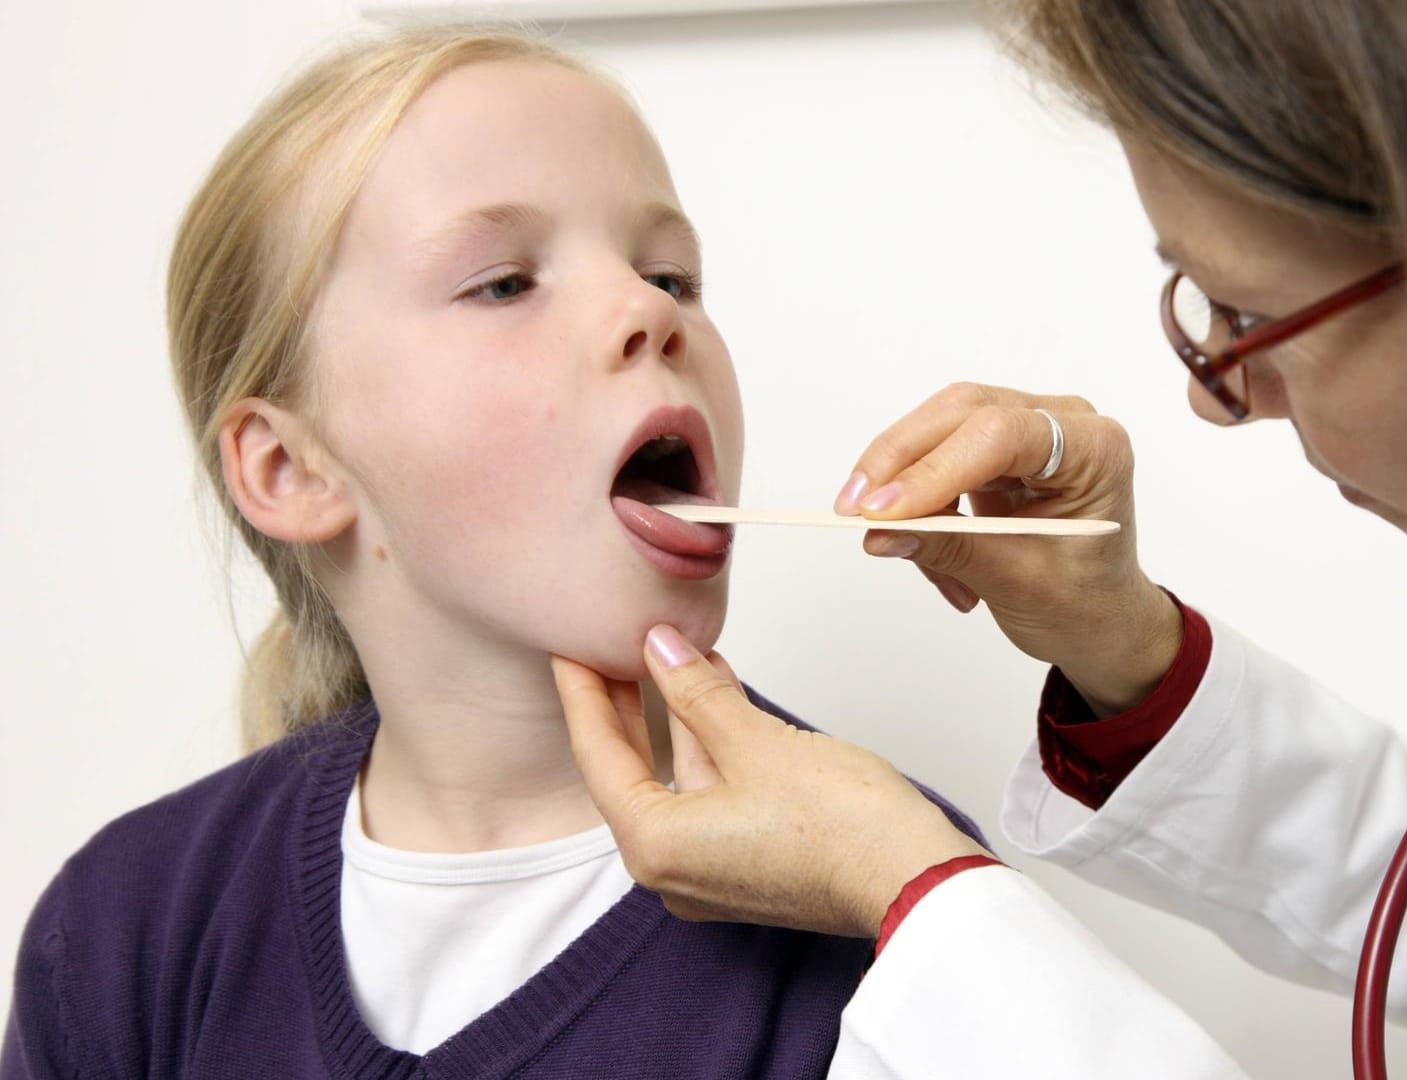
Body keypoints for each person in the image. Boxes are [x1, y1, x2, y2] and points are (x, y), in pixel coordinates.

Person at [551, 2, 1407, 1077]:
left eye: (1242, 310)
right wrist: (1127, 657)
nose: (1221, 400)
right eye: (500, 283)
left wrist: (913, 895)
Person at [0, 27, 983, 1080]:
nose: (651, 309)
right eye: (507, 283)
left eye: (673, 274)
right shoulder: (123, 931)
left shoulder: (901, 905)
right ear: (292, 470)